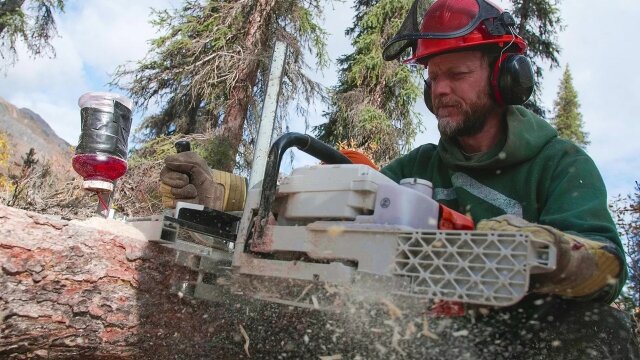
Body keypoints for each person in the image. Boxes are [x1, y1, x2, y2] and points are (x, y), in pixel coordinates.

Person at [159, 0, 638, 357]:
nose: (440, 89)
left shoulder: (560, 165)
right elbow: (326, 215)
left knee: (603, 332)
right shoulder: (418, 168)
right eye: (433, 76)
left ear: (505, 76)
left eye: (457, 73)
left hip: (515, 342)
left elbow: (608, 268)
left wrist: (544, 252)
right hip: (423, 335)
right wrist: (230, 193)